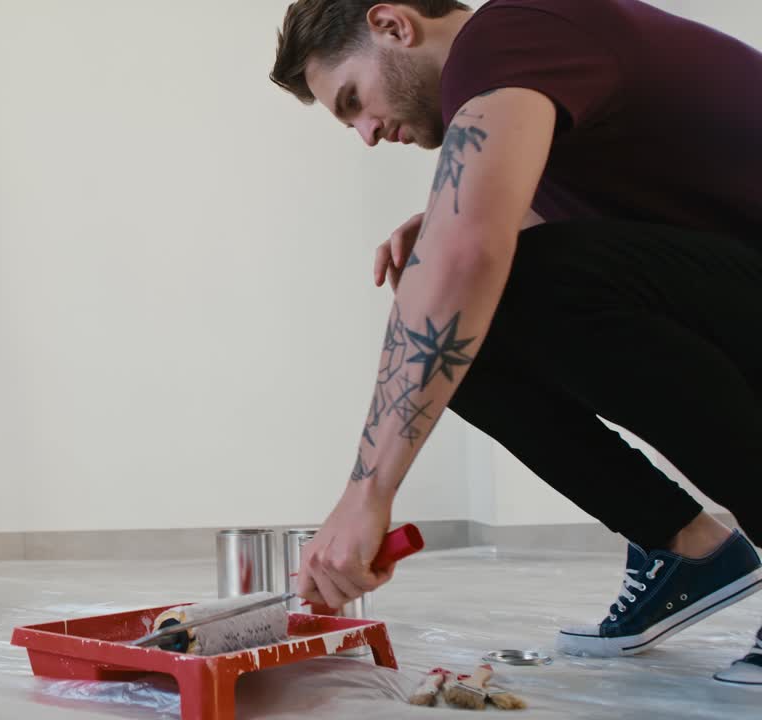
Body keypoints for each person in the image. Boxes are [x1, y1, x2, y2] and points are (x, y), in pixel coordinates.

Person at [269, 0, 762, 685]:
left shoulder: (509, 32)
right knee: (479, 317)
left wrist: (365, 497)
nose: (367, 134)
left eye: (354, 100)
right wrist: (455, 224)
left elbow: (469, 258)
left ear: (393, 24)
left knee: (499, 288)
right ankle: (688, 549)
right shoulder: (541, 89)